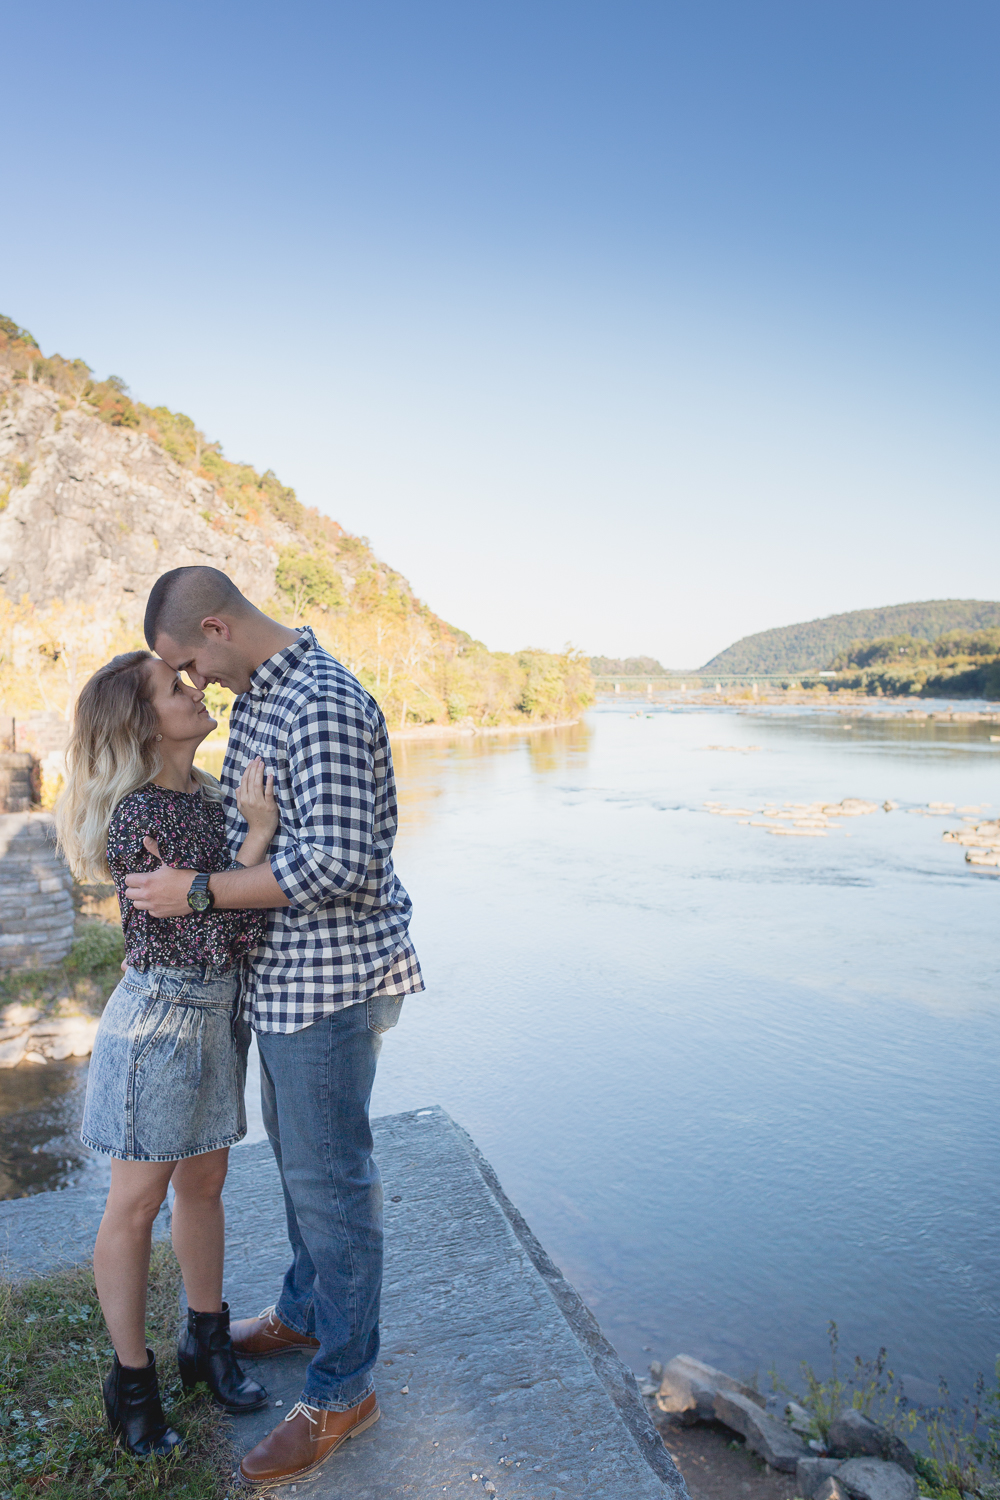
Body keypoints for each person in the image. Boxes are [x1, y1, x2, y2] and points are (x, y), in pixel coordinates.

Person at [125, 566, 424, 1488]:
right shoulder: (264, 695)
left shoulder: (321, 704)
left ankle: (344, 1389)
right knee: (304, 1167)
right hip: (285, 985)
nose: (195, 684)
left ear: (215, 627)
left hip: (330, 987)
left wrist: (198, 892)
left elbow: (340, 864)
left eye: (188, 665)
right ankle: (304, 1311)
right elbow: (258, 826)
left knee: (333, 1186)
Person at [56, 650, 279, 1457]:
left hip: (218, 1017)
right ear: (145, 723)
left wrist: (240, 847)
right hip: (158, 1025)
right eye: (175, 688)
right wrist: (257, 841)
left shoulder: (214, 795)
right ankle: (132, 1382)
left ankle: (205, 1342)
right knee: (135, 1205)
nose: (196, 690)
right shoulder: (139, 817)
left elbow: (232, 920)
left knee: (207, 1183)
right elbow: (228, 922)